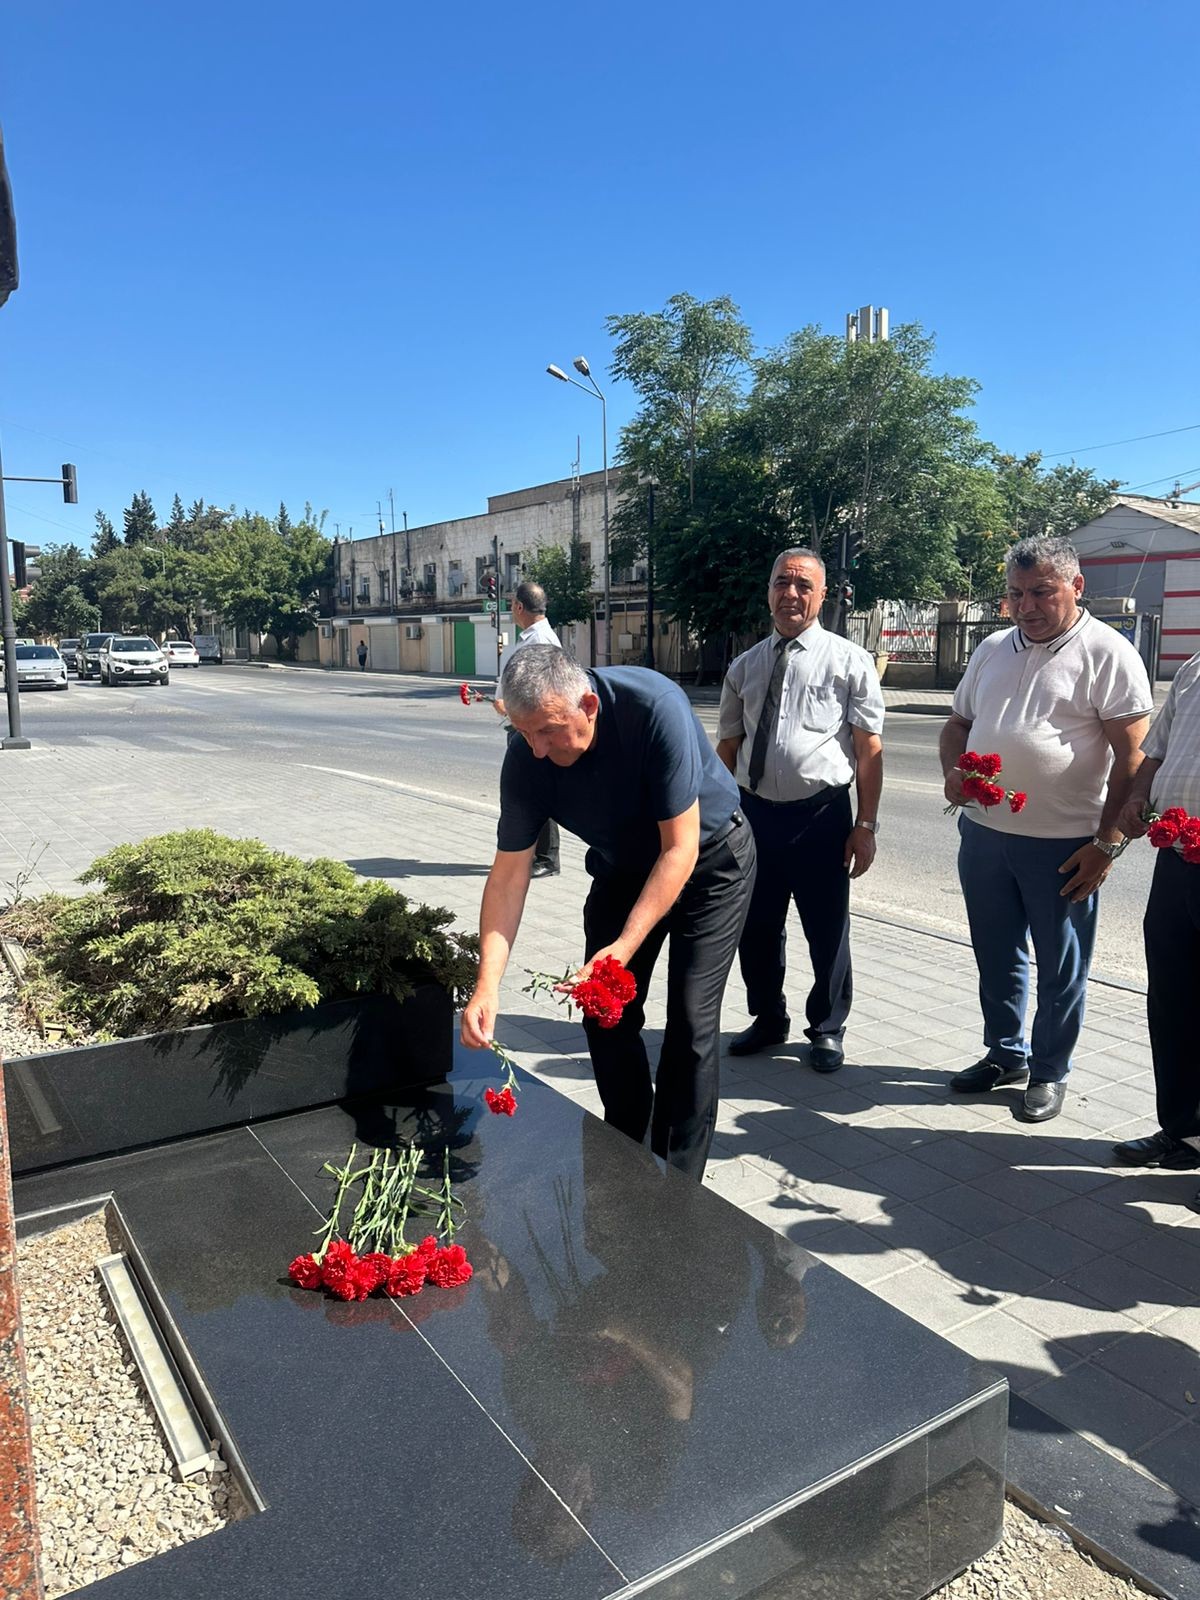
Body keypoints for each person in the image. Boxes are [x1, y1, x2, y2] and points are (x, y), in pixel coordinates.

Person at [461, 644, 756, 1180]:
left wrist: (622, 948)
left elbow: (679, 850)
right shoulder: (527, 757)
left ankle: (676, 1178)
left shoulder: (653, 708)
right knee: (604, 1012)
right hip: (624, 868)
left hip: (709, 860)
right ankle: (625, 1142)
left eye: (548, 731)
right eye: (525, 733)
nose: (539, 750)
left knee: (690, 1021)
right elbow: (509, 876)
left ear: (589, 706)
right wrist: (488, 983)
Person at [940, 536, 1153, 1123]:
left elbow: (1133, 763)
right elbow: (957, 725)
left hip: (1065, 845)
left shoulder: (1108, 653)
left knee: (1061, 964)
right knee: (995, 950)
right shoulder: (989, 648)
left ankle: (1050, 1070)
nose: (1026, 606)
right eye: (1015, 594)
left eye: (1041, 592)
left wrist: (1107, 847)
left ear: (1076, 588)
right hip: (983, 835)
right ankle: (1005, 1053)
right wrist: (954, 773)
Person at [716, 547, 884, 1073]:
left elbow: (868, 750)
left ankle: (827, 1028)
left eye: (803, 585)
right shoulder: (744, 666)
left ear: (822, 595)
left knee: (827, 929)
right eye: (781, 583)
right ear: (768, 590)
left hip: (821, 818)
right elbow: (727, 747)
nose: (791, 594)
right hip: (753, 817)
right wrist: (716, 819)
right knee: (756, 927)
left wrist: (865, 825)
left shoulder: (849, 660)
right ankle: (768, 1018)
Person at [1111, 652, 1200, 1204]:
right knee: (1173, 1000)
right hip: (1179, 862)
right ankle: (1184, 1133)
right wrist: (1140, 795)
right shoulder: (1194, 667)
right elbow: (1157, 751)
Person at [493, 580, 561, 878]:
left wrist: (511, 706)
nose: (511, 610)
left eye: (512, 605)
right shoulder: (532, 637)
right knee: (526, 790)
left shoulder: (540, 641)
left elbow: (545, 691)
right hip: (523, 726)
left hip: (531, 730)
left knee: (533, 791)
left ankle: (545, 858)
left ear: (520, 606)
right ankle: (535, 855)